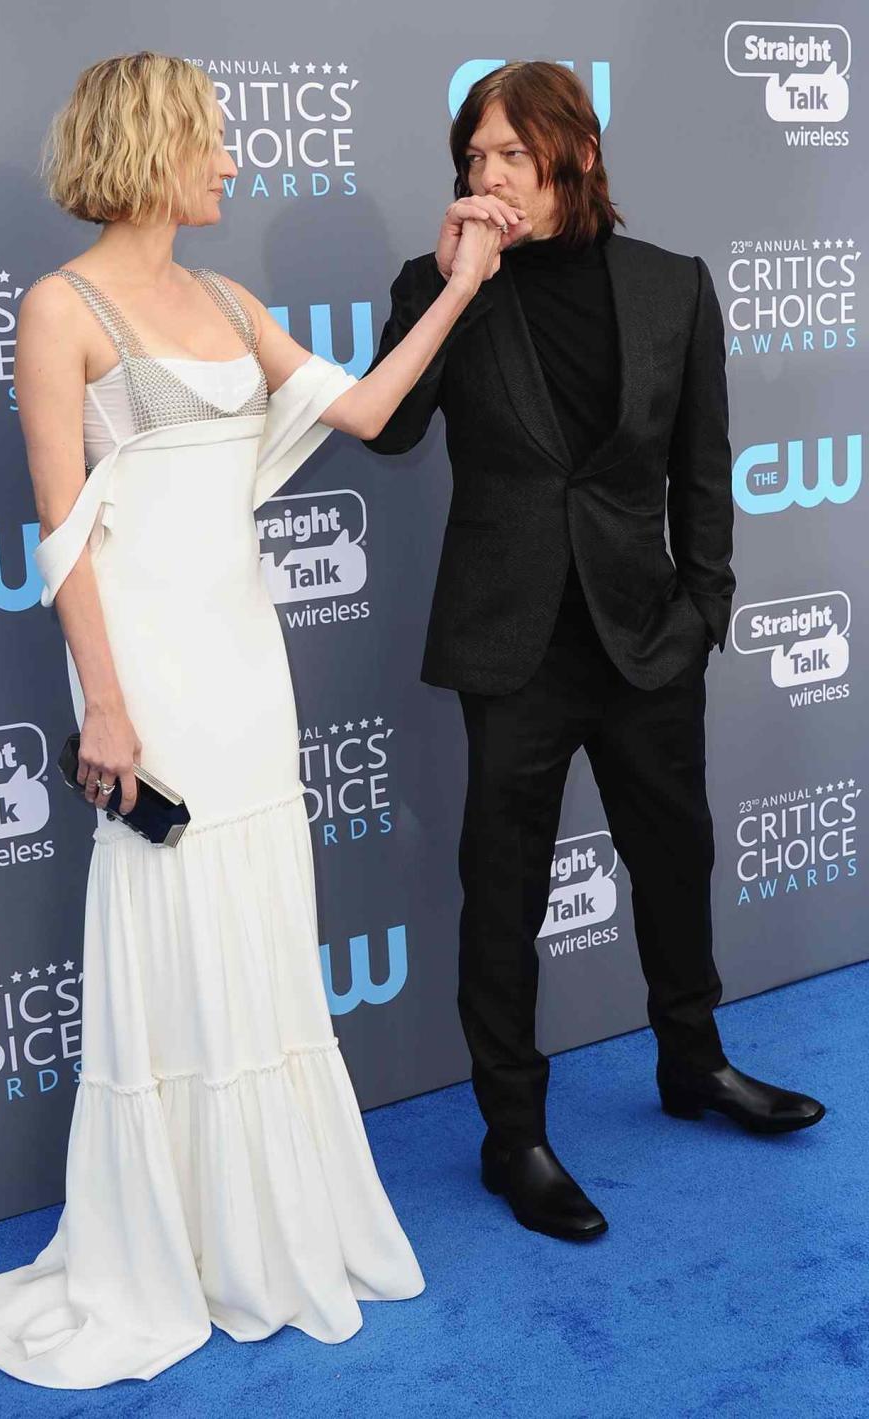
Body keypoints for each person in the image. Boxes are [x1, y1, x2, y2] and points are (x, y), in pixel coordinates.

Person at [0, 52, 506, 1388]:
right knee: (173, 919)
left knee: (257, 925)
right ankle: (169, 1240)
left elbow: (374, 411)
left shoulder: (227, 298)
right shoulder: (60, 307)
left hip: (246, 663)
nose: (231, 163)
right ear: (153, 149)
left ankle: (259, 1224)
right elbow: (63, 532)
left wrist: (459, 286)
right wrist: (105, 699)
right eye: (210, 143)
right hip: (147, 667)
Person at [364, 61, 825, 1243]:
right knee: (503, 895)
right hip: (509, 644)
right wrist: (458, 284)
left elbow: (704, 473)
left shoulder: (671, 286)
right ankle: (511, 1135)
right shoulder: (436, 283)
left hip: (644, 636)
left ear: (573, 154)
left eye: (509, 155)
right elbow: (391, 427)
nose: (488, 177)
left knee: (674, 860)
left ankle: (695, 1064)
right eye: (473, 159)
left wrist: (703, 610)